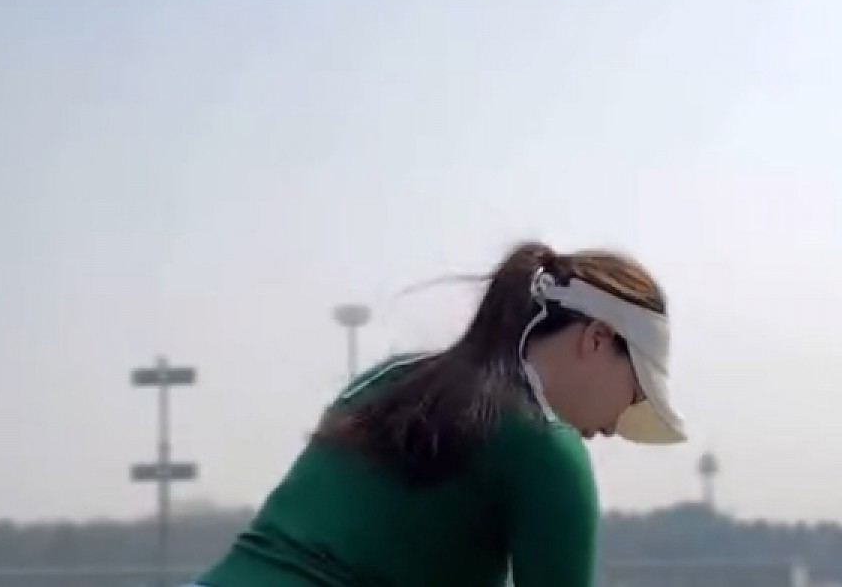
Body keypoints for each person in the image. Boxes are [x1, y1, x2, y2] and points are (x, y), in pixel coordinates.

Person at [191, 241, 686, 587]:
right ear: (597, 339)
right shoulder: (548, 448)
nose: (616, 426)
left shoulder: (389, 380)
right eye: (635, 392)